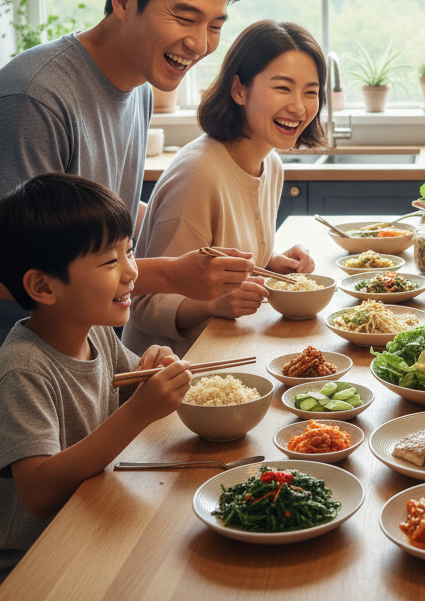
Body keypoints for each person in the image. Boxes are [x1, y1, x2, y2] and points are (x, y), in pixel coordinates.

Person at [0, 0, 254, 505]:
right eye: (184, 17)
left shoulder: (136, 88)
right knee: (24, 568)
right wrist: (175, 272)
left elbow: (100, 212)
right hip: (4, 376)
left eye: (214, 25)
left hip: (86, 361)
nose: (201, 43)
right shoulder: (31, 99)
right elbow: (2, 271)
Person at [0, 174, 192, 601]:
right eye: (109, 262)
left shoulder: (97, 333)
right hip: (16, 571)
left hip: (78, 523)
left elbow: (123, 391)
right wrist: (140, 412)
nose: (131, 271)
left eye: (131, 251)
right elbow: (40, 493)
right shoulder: (23, 371)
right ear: (43, 287)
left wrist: (149, 369)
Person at [123, 20, 324, 357]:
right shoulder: (199, 173)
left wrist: (270, 262)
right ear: (239, 90)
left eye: (310, 91)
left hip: (228, 354)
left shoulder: (270, 163)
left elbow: (216, 254)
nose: (299, 107)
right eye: (283, 87)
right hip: (169, 377)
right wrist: (212, 304)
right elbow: (143, 304)